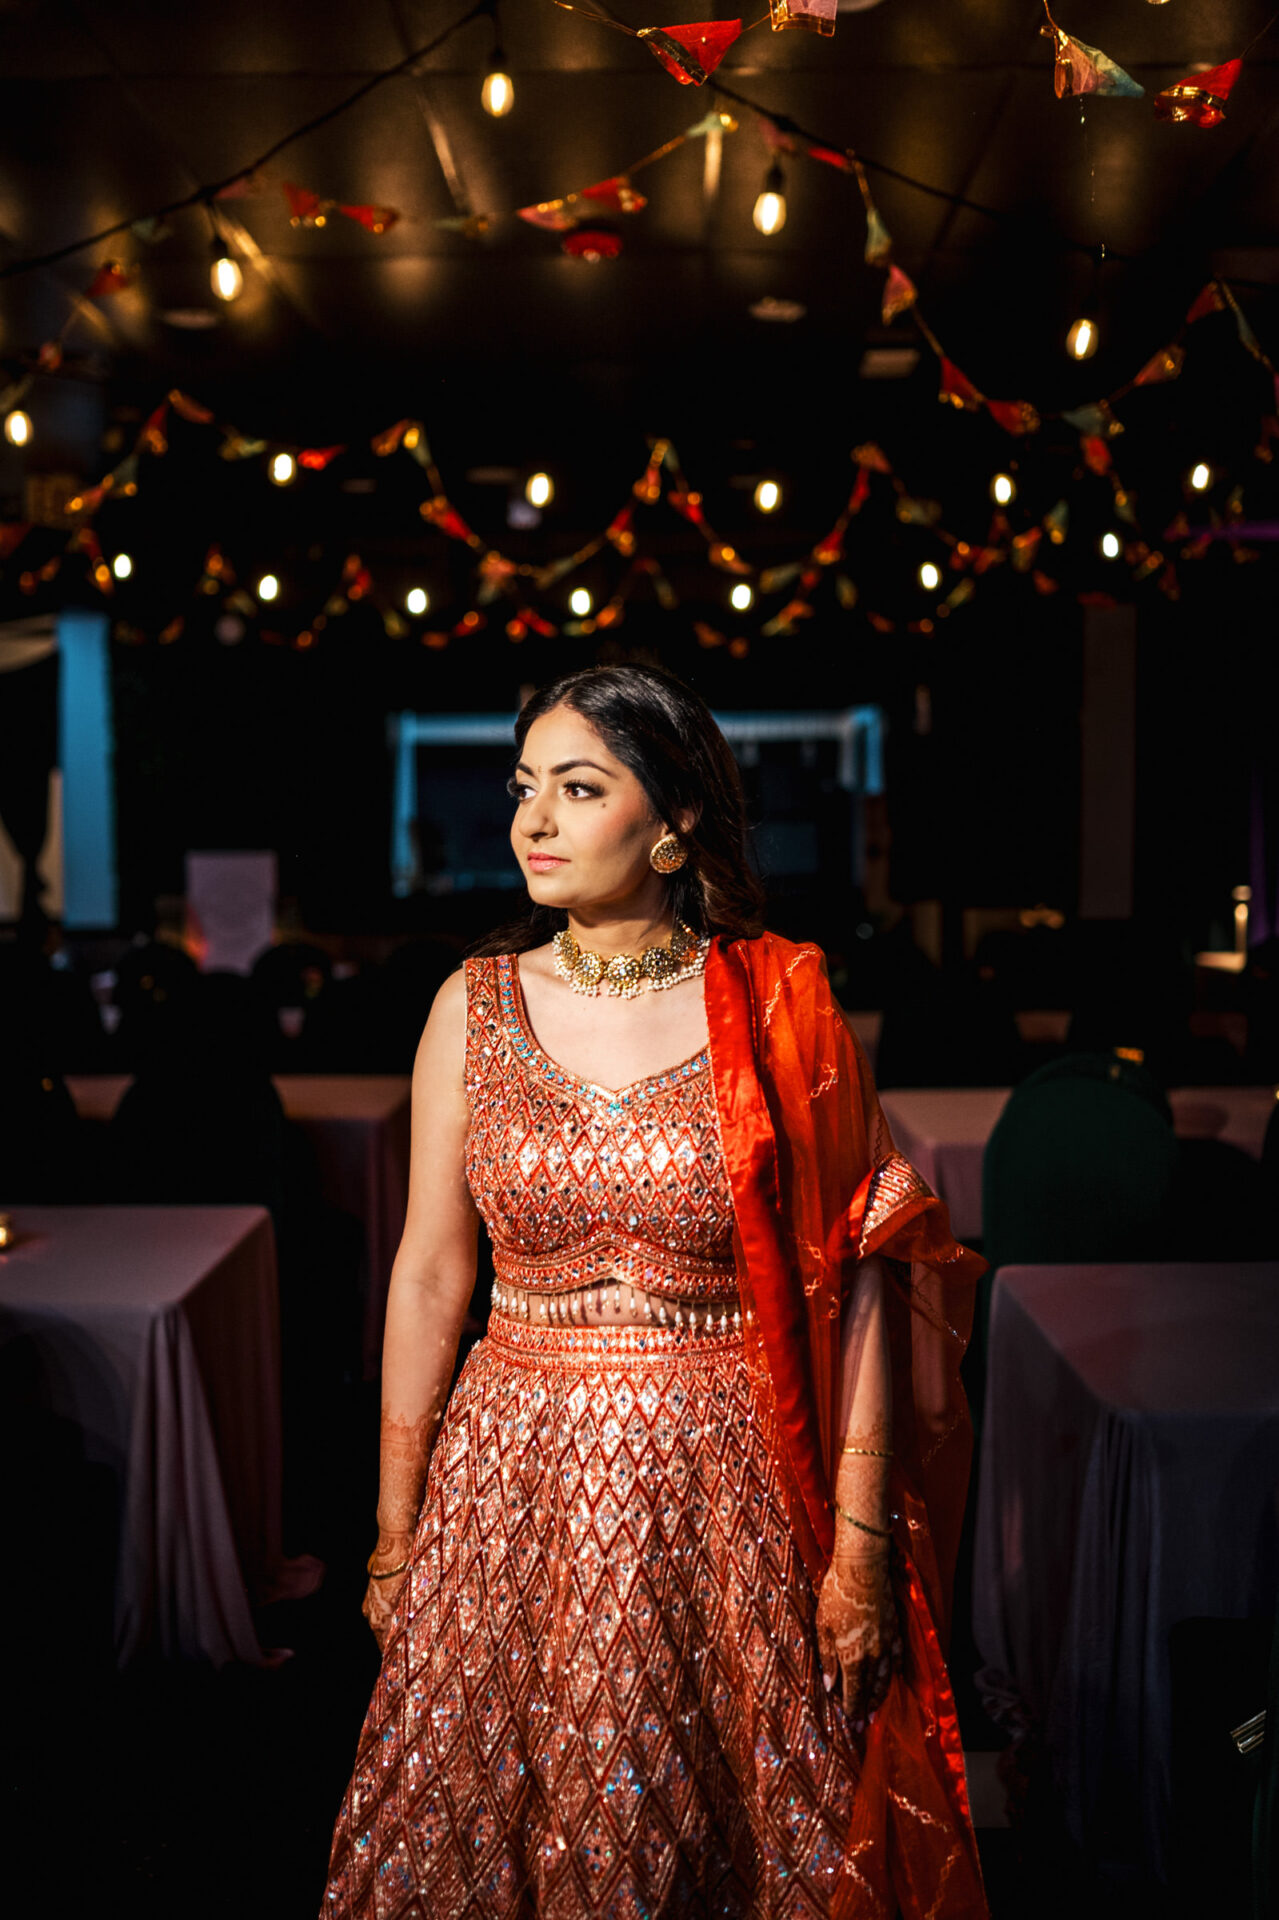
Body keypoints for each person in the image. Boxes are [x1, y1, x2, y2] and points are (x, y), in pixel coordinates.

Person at [321, 665, 989, 1918]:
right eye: (524, 787)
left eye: (579, 789)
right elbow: (429, 1273)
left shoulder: (780, 1004)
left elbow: (859, 1284)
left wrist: (855, 1551)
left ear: (674, 815)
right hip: (510, 1487)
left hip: (727, 1488)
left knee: (736, 1832)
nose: (534, 821)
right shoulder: (472, 1006)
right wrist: (396, 1531)